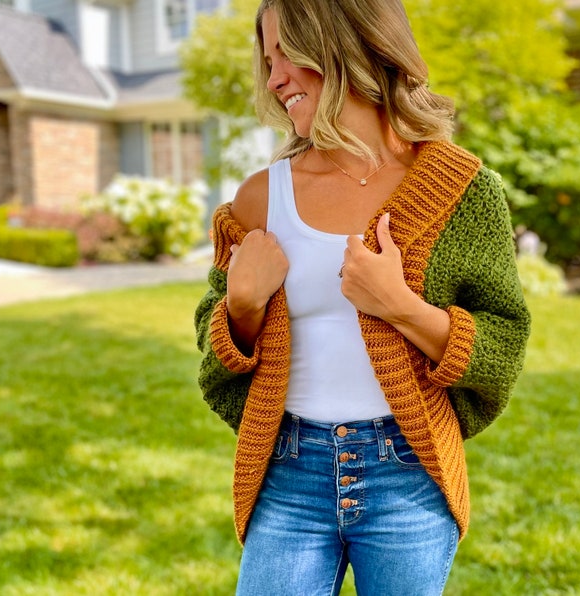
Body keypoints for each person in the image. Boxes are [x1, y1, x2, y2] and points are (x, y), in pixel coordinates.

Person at [194, 0, 531, 593]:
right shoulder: (257, 201)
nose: (273, 80)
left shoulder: (463, 189)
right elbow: (212, 340)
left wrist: (399, 305)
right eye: (267, 60)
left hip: (408, 474)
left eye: (288, 55)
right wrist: (241, 309)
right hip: (289, 475)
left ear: (348, 47)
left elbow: (503, 341)